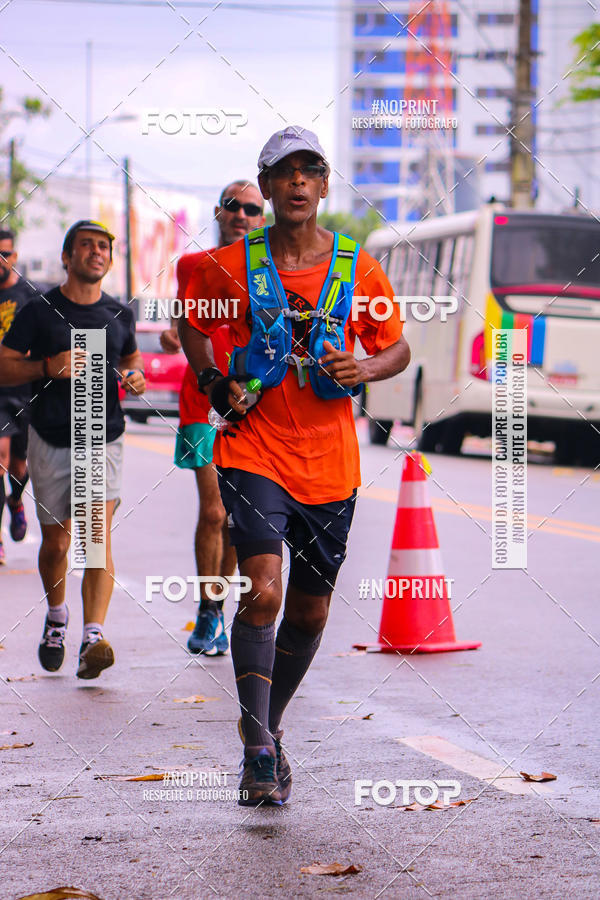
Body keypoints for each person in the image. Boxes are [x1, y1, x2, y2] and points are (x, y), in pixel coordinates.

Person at [179, 127, 410, 806]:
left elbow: (395, 348)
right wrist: (215, 379)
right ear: (270, 184)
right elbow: (193, 324)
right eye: (285, 173)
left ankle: (267, 727)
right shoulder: (232, 263)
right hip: (253, 448)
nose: (299, 183)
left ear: (325, 184)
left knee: (309, 613)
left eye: (311, 171)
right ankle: (255, 750)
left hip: (331, 463)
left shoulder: (355, 264)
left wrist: (364, 365)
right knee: (265, 590)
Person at [0, 220, 145, 679]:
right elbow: (4, 368)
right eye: (86, 245)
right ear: (67, 257)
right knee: (57, 540)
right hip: (50, 436)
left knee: (95, 537)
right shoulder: (39, 311)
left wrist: (135, 377)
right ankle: (58, 617)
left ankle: (93, 637)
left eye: (104, 246)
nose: (97, 252)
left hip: (102, 438)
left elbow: (130, 360)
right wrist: (48, 366)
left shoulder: (120, 314)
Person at [160, 182, 265, 655]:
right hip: (202, 399)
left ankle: (216, 607)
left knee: (236, 520)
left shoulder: (270, 270)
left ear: (262, 218)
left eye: (252, 208)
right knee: (214, 510)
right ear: (219, 213)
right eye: (233, 206)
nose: (242, 214)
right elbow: (185, 322)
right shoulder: (192, 265)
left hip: (254, 403)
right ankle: (206, 612)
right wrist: (170, 336)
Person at [0, 229, 38, 564]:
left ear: (14, 257)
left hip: (24, 390)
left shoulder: (30, 295)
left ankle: (16, 500)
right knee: (0, 457)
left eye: (4, 254)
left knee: (19, 464)